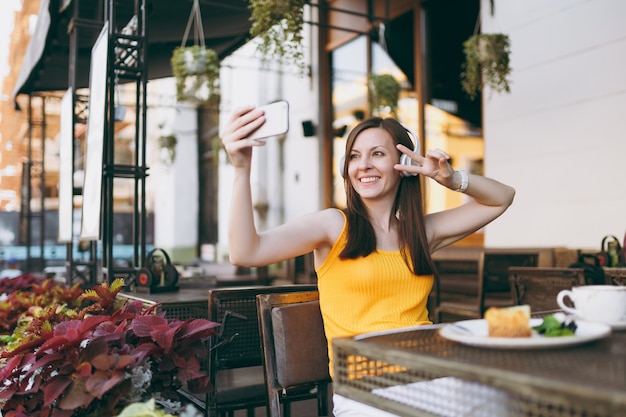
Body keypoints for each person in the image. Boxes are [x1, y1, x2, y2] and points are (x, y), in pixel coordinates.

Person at [220, 105, 515, 416]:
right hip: (365, 389)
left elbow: (502, 197)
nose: (363, 165)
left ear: (403, 164)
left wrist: (452, 178)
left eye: (377, 154)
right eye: (354, 156)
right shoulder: (333, 226)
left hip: (430, 373)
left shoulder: (421, 233)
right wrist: (241, 170)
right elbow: (245, 252)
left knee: (507, 400)